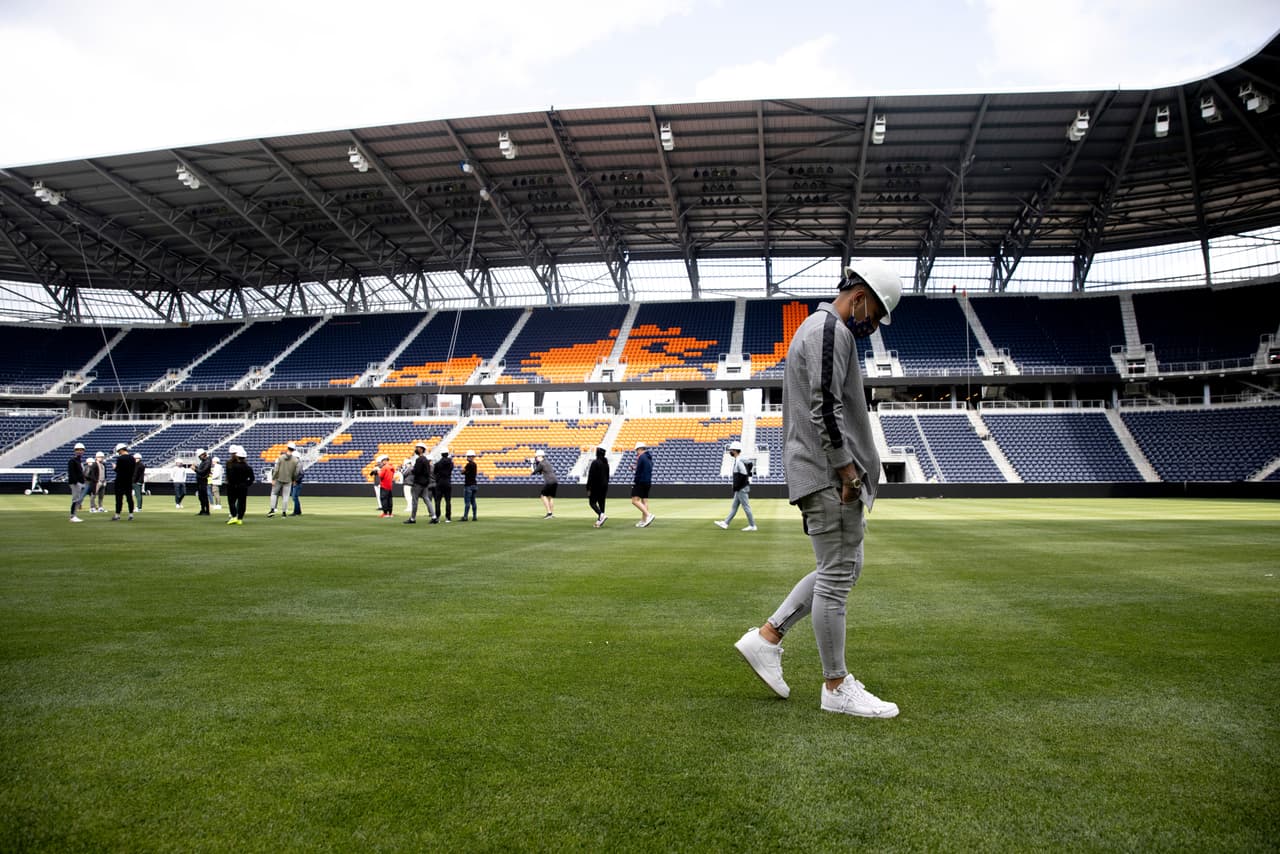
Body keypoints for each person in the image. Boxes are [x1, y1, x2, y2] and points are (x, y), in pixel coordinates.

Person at [734, 258, 903, 720]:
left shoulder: (818, 328)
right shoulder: (831, 330)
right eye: (875, 314)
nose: (873, 325)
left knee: (843, 568)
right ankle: (836, 685)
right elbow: (824, 407)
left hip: (820, 471)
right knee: (837, 577)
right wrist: (848, 472)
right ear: (859, 297)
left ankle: (768, 637)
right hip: (830, 475)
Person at [716, 441, 757, 532]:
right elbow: (748, 469)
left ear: (735, 450)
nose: (730, 451)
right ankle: (725, 523)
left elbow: (744, 474)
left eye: (731, 450)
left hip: (741, 489)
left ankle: (752, 525)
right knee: (734, 507)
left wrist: (737, 486)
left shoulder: (739, 461)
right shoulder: (740, 460)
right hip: (740, 488)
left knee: (746, 507)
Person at [224, 444, 254, 525]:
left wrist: (230, 484)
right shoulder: (248, 467)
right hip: (243, 487)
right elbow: (252, 478)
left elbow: (229, 477)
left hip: (232, 486)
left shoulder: (232, 466)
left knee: (231, 502)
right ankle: (240, 518)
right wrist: (246, 484)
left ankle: (234, 517)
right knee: (242, 503)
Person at [267, 443, 299, 518]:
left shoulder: (280, 457)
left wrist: (273, 478)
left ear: (287, 448)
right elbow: (296, 472)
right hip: (288, 480)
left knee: (274, 493)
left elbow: (276, 469)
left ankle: (272, 510)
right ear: (294, 450)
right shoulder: (295, 460)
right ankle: (284, 513)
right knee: (285, 496)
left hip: (279, 478)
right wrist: (294, 479)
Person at [404, 442, 433, 524]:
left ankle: (412, 518)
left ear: (421, 449)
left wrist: (412, 470)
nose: (416, 449)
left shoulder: (419, 460)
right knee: (427, 499)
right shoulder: (426, 460)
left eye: (417, 448)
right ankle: (434, 516)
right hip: (425, 483)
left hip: (418, 483)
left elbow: (417, 471)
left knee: (415, 501)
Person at [631, 441, 655, 528]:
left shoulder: (641, 457)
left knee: (634, 500)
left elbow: (638, 472)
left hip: (641, 482)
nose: (636, 452)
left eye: (637, 450)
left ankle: (648, 515)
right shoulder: (648, 457)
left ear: (640, 449)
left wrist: (635, 481)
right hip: (647, 481)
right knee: (644, 501)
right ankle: (644, 521)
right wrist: (635, 468)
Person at [111, 442, 136, 521]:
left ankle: (117, 515)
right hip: (129, 480)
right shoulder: (132, 458)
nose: (118, 453)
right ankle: (131, 514)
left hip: (120, 481)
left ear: (121, 450)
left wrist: (114, 467)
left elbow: (118, 470)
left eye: (118, 451)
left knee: (119, 499)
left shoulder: (120, 459)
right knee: (129, 498)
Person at [586, 446, 610, 527]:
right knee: (601, 502)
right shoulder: (606, 463)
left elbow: (591, 476)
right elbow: (607, 476)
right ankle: (600, 520)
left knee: (592, 502)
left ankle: (601, 515)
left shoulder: (595, 462)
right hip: (604, 486)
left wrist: (588, 488)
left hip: (595, 486)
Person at [531, 449, 557, 518]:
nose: (536, 458)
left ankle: (549, 513)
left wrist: (532, 463)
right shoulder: (546, 462)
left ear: (540, 456)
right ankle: (551, 514)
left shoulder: (541, 463)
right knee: (550, 497)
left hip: (549, 481)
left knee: (543, 496)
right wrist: (536, 463)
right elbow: (540, 472)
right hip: (554, 481)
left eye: (536, 457)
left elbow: (533, 472)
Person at [67, 441, 87, 522]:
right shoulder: (72, 460)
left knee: (78, 500)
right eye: (78, 450)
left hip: (80, 483)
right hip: (76, 483)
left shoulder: (79, 461)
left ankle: (74, 515)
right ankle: (72, 516)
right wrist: (76, 482)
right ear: (75, 451)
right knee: (75, 500)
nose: (79, 451)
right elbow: (71, 472)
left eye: (81, 450)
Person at [433, 450, 454, 523]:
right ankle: (448, 518)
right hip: (447, 482)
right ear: (447, 454)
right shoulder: (451, 463)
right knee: (448, 501)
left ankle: (437, 517)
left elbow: (434, 472)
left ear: (441, 454)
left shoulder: (438, 463)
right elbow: (451, 470)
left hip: (439, 483)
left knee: (438, 501)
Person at [192, 449, 212, 515]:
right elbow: (201, 470)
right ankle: (203, 510)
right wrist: (196, 467)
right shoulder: (204, 461)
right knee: (201, 496)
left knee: (204, 496)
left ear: (203, 455)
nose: (199, 458)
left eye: (199, 456)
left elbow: (202, 472)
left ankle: (207, 511)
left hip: (203, 480)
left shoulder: (207, 461)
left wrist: (195, 469)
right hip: (200, 480)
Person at [460, 450, 478, 521]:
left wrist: (465, 472)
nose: (467, 458)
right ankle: (474, 516)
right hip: (474, 485)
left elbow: (462, 472)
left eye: (468, 456)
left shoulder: (468, 465)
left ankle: (465, 517)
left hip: (468, 485)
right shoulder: (475, 464)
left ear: (471, 457)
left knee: (467, 502)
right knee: (473, 502)